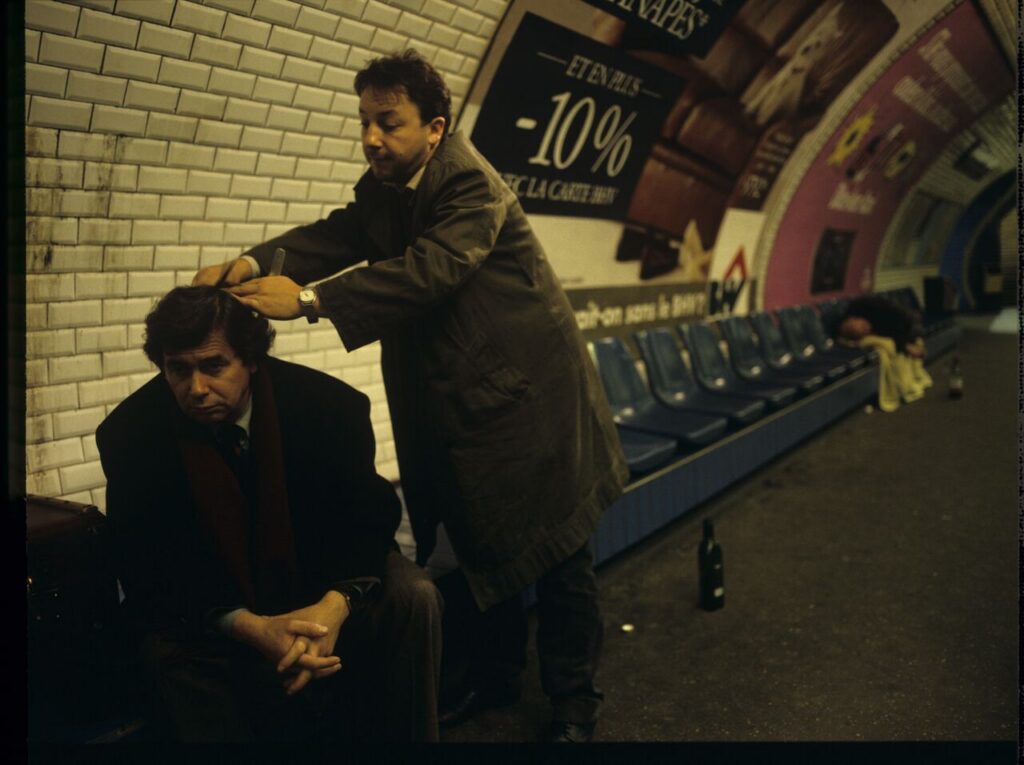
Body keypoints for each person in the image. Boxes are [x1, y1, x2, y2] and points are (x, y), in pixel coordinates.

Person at [193, 50, 629, 743]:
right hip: (463, 406)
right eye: (364, 121)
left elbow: (430, 270)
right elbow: (338, 232)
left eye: (387, 122)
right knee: (484, 545)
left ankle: (575, 705)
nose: (371, 138)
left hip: (528, 404)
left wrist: (308, 299)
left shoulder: (469, 184)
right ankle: (497, 677)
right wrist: (251, 261)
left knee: (558, 549)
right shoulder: (388, 184)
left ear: (435, 126)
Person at [95, 286, 443, 743]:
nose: (195, 389)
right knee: (161, 648)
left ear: (252, 359)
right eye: (177, 369)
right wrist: (250, 626)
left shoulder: (329, 406)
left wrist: (333, 607)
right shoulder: (130, 434)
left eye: (214, 366)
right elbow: (146, 562)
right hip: (216, 601)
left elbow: (369, 516)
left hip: (321, 582)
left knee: (415, 594)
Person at [836, 294, 932, 411]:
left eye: (863, 327)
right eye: (863, 332)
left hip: (907, 319)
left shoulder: (867, 307)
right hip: (895, 324)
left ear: (853, 319)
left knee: (914, 338)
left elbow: (899, 324)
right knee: (895, 345)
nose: (865, 329)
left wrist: (906, 344)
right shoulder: (853, 328)